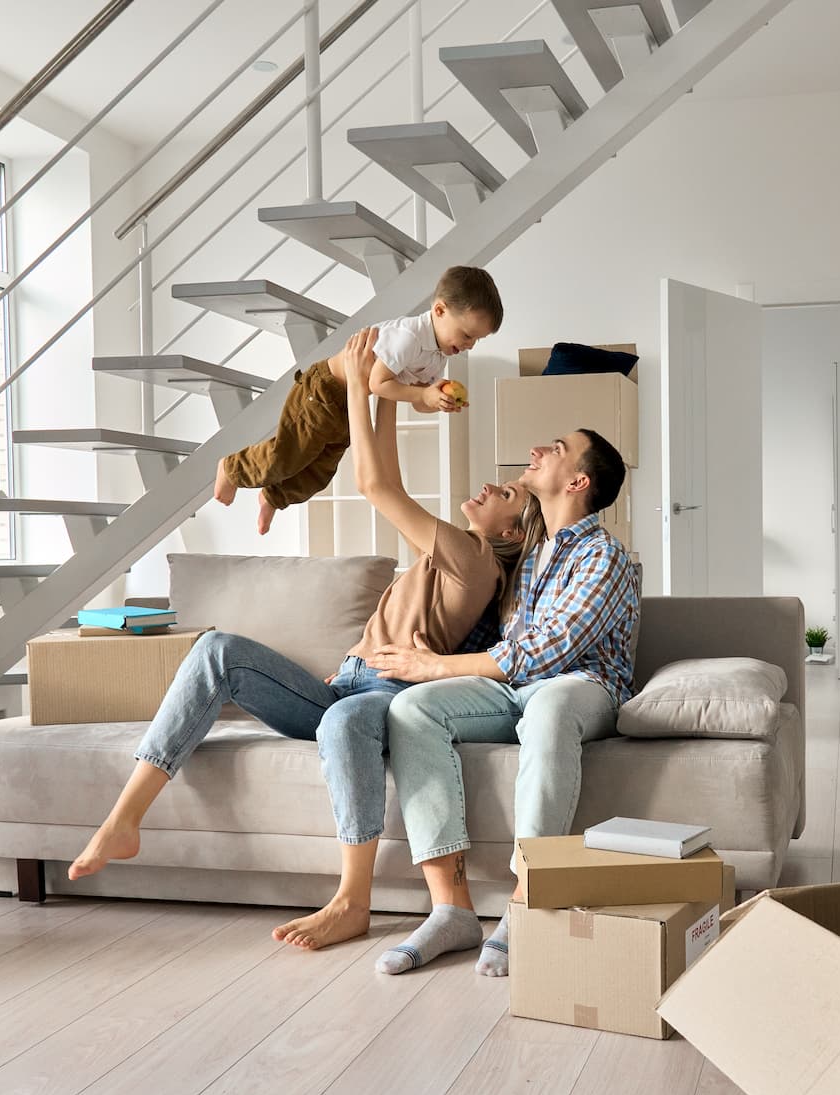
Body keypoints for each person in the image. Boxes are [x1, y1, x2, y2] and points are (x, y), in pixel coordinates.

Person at [68, 327, 542, 952]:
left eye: (504, 493)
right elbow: (390, 476)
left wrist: (357, 387)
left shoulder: (475, 560)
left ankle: (352, 902)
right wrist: (386, 391)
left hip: (381, 696)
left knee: (345, 721)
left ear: (513, 530)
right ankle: (124, 817)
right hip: (343, 682)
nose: (487, 489)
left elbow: (375, 488)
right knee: (216, 651)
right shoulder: (450, 554)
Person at [366, 428, 638, 977]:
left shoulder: (605, 554)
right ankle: (452, 909)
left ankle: (526, 899)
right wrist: (434, 658)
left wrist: (439, 666)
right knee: (413, 708)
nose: (537, 449)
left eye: (556, 449)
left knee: (550, 707)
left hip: (582, 686)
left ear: (578, 481)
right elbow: (505, 644)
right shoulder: (535, 556)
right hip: (515, 690)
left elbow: (550, 648)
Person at [213, 265, 502, 535]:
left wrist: (436, 401)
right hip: (324, 391)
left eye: (476, 340)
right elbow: (379, 382)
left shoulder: (437, 357)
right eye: (467, 335)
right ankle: (232, 468)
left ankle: (273, 498)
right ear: (439, 310)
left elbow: (415, 401)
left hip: (350, 403)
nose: (469, 345)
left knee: (320, 471)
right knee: (287, 455)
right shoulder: (409, 338)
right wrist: (423, 392)